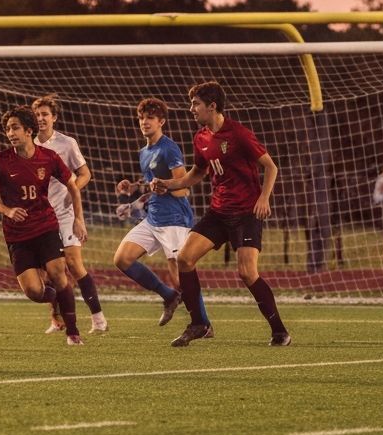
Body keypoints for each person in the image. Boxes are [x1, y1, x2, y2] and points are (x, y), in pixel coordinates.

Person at [151, 81, 291, 347]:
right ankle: (199, 324)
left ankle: (280, 330)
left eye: (196, 104)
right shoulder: (201, 137)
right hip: (218, 212)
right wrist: (167, 184)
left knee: (247, 273)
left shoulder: (238, 134)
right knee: (184, 259)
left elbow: (271, 167)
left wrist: (264, 198)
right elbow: (198, 173)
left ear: (212, 106)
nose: (191, 108)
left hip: (245, 213)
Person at [0, 105, 85, 345]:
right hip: (17, 235)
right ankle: (57, 299)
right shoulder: (0, 161)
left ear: (28, 130)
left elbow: (72, 184)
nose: (10, 133)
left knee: (58, 273)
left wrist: (78, 219)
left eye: (15, 128)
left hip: (45, 226)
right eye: (8, 129)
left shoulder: (48, 157)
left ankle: (73, 332)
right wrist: (8, 211)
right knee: (33, 291)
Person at [113, 97, 211, 330]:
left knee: (181, 277)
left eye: (150, 118)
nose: (145, 122)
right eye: (141, 118)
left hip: (174, 220)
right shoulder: (144, 152)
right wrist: (135, 186)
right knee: (122, 259)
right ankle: (168, 296)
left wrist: (164, 186)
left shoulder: (169, 148)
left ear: (161, 122)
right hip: (154, 217)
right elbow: (153, 183)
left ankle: (204, 324)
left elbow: (183, 189)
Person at [32, 95, 107, 334]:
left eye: (45, 114)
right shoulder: (28, 145)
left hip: (65, 214)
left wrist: (72, 190)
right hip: (41, 216)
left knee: (74, 264)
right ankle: (57, 319)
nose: (41, 118)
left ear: (54, 117)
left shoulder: (66, 143)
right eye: (37, 115)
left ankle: (98, 318)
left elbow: (85, 174)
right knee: (48, 272)